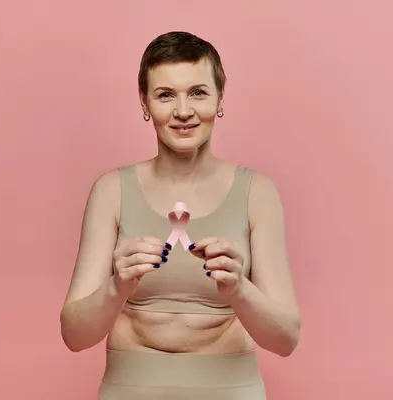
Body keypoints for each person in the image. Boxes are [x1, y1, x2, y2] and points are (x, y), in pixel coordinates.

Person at [59, 31, 301, 400]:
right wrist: (117, 286)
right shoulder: (111, 191)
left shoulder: (258, 193)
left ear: (221, 96)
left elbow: (285, 340)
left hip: (231, 389)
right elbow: (75, 336)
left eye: (198, 92)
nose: (184, 111)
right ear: (145, 103)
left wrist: (239, 289)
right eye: (166, 94)